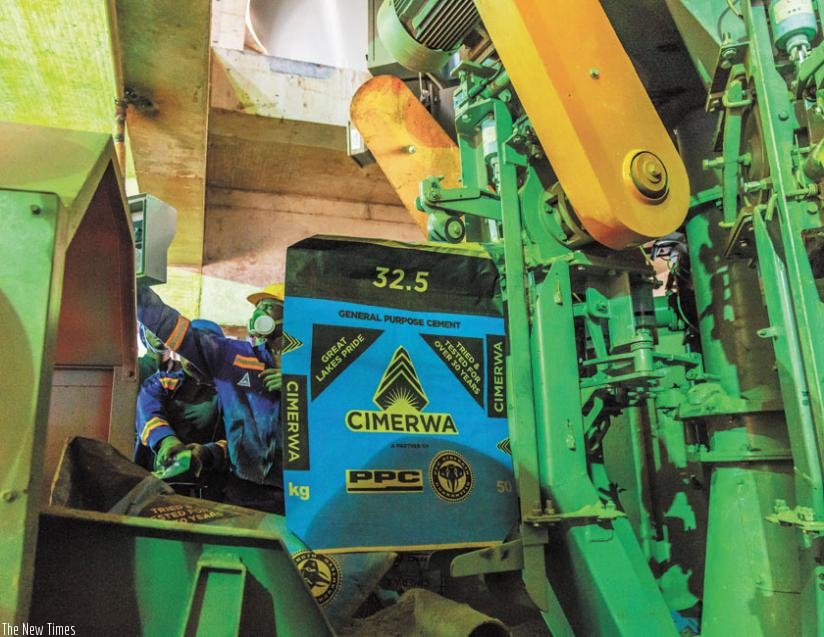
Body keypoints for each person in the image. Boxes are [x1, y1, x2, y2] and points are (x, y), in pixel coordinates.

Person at [136, 283, 285, 513]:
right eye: (257, 308)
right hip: (243, 492)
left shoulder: (318, 369)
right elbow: (172, 326)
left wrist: (296, 385)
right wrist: (135, 285)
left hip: (299, 495)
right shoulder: (236, 357)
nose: (257, 315)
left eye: (267, 307)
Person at [134, 319, 228, 499]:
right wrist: (167, 441)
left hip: (212, 489)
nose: (193, 358)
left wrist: (209, 452)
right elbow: (149, 414)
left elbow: (245, 440)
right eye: (187, 351)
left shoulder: (232, 392)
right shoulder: (162, 382)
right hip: (157, 482)